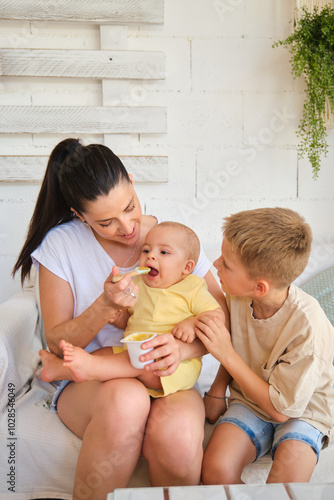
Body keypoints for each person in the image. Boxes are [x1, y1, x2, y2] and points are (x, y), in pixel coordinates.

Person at [12, 138, 228, 499]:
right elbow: (57, 341)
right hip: (93, 381)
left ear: (131, 179)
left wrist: (180, 351)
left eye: (131, 207)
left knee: (175, 437)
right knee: (129, 400)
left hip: (167, 376)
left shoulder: (170, 239)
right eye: (106, 222)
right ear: (80, 216)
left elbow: (221, 318)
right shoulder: (60, 246)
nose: (128, 227)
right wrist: (103, 306)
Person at [196, 207, 334, 485]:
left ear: (259, 287)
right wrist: (217, 390)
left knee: (287, 483)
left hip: (304, 407)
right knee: (215, 469)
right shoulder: (237, 296)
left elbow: (282, 410)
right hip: (249, 399)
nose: (215, 264)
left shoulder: (308, 326)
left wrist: (225, 353)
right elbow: (237, 343)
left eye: (226, 263)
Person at [38, 221, 222, 398]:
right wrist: (116, 315)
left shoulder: (193, 288)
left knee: (132, 362)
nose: (151, 256)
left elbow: (217, 316)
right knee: (105, 353)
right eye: (146, 250)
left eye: (164, 252)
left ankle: (90, 369)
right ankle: (57, 369)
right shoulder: (139, 285)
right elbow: (130, 320)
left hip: (171, 365)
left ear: (187, 267)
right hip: (134, 353)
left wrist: (193, 323)